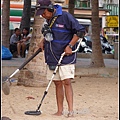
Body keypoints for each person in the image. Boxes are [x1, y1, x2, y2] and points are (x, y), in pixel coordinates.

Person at [36, 0, 85, 117]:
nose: (42, 15)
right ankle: (59, 111)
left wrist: (70, 46)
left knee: (66, 82)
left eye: (44, 12)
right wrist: (43, 41)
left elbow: (80, 31)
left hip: (65, 56)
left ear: (51, 9)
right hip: (52, 55)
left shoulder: (65, 17)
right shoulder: (47, 20)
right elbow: (49, 34)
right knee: (57, 83)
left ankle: (71, 110)